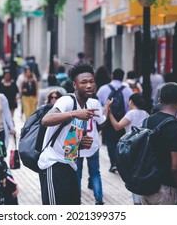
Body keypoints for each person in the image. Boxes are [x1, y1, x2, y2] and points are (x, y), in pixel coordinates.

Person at [38, 63, 105, 205]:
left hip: (69, 165)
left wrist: (79, 145)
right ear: (75, 85)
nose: (89, 85)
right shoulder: (67, 101)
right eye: (84, 82)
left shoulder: (85, 107)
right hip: (53, 164)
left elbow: (68, 148)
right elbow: (46, 120)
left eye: (91, 81)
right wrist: (74, 114)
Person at [140, 82, 177, 205]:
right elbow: (176, 167)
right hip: (165, 190)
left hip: (145, 186)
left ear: (160, 100)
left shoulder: (147, 121)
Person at [105, 93, 149, 204]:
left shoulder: (131, 114)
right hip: (144, 147)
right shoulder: (146, 113)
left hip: (132, 147)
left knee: (133, 175)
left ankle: (137, 201)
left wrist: (109, 113)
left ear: (131, 102)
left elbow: (117, 126)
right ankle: (143, 199)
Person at [96, 68, 132, 173]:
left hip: (107, 120)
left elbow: (98, 105)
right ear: (123, 77)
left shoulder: (103, 89)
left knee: (110, 143)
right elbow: (129, 107)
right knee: (121, 142)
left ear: (112, 75)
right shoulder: (128, 90)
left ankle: (113, 163)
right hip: (122, 121)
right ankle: (120, 163)